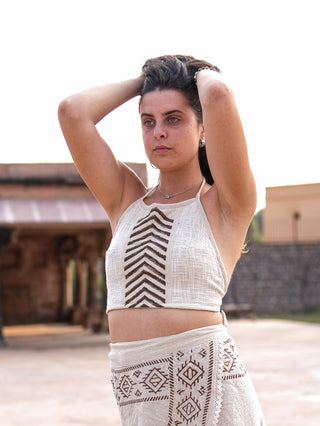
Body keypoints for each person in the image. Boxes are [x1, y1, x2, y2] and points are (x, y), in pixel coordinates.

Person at [58, 54, 265, 425]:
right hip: (136, 389)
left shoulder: (225, 203)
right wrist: (145, 81)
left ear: (204, 129)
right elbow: (72, 112)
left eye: (174, 119)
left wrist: (191, 73)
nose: (159, 132)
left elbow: (217, 93)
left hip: (209, 384)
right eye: (147, 122)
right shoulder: (125, 201)